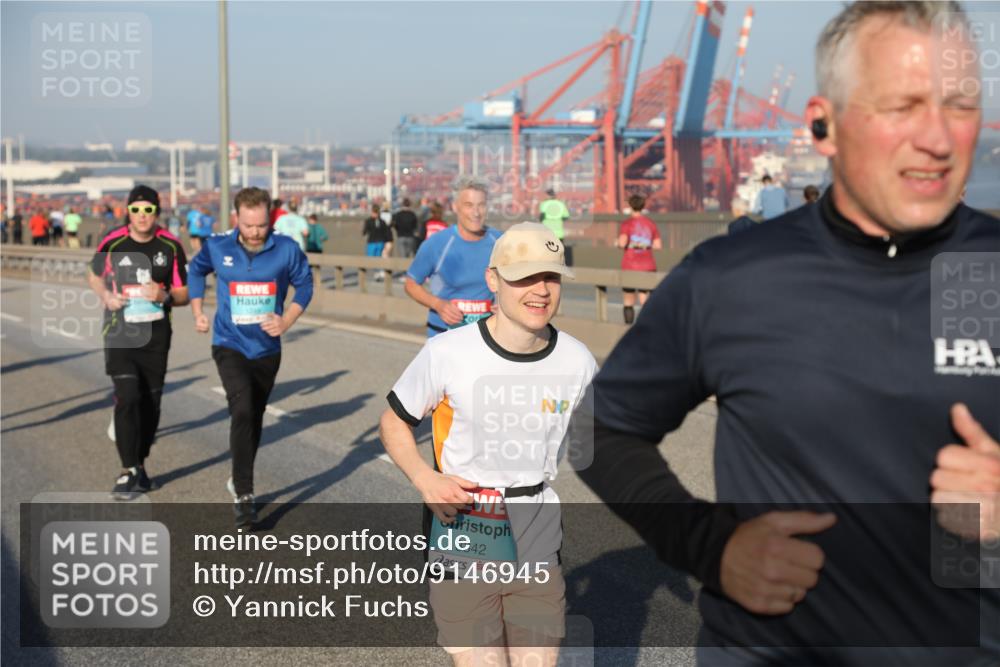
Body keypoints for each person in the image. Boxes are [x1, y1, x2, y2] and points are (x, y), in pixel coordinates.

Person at [575, 2, 999, 663]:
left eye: (961, 105)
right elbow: (596, 431)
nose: (939, 139)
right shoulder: (734, 277)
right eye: (902, 106)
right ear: (822, 127)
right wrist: (711, 547)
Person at [381, 222, 595, 666]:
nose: (540, 290)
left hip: (535, 529)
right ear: (494, 280)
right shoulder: (448, 352)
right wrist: (425, 479)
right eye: (525, 278)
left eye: (551, 277)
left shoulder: (578, 361)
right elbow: (394, 422)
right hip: (465, 529)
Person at [187, 187, 313, 528]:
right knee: (242, 408)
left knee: (253, 416)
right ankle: (245, 495)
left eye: (261, 225)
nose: (255, 233)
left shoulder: (285, 249)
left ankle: (238, 476)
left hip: (267, 349)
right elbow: (195, 271)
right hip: (229, 342)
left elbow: (306, 285)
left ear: (269, 218)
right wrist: (198, 310)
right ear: (236, 218)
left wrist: (286, 320)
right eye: (248, 225)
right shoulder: (217, 246)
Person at [87, 185, 189, 499]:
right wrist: (105, 295)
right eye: (136, 209)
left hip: (156, 336)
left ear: (157, 212)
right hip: (119, 333)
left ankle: (140, 466)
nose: (142, 216)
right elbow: (93, 274)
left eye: (148, 210)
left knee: (150, 405)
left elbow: (185, 293)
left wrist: (166, 296)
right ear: (128, 212)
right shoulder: (113, 242)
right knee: (128, 396)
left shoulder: (170, 246)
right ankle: (127, 470)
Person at [405, 177, 502, 337]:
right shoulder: (437, 243)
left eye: (481, 205)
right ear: (455, 207)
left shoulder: (500, 241)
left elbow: (516, 283)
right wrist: (438, 304)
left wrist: (505, 305)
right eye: (469, 205)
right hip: (444, 334)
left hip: (488, 336)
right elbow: (411, 284)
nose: (476, 213)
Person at [617, 194, 662, 324]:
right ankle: (647, 329)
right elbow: (658, 246)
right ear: (643, 206)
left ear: (630, 206)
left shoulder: (627, 224)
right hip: (648, 266)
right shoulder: (651, 224)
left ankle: (628, 329)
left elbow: (621, 243)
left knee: (628, 300)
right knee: (645, 301)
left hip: (630, 265)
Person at [539, 188, 572, 265]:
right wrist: (557, 219)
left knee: (547, 251)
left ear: (548, 195)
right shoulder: (561, 204)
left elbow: (542, 217)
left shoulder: (544, 204)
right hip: (559, 232)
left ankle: (548, 265)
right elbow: (566, 216)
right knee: (559, 251)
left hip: (547, 232)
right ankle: (559, 265)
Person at [362, 204, 394, 281]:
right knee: (371, 257)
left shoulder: (381, 221)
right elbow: (365, 231)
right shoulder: (369, 221)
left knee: (378, 257)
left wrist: (388, 241)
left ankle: (379, 272)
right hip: (373, 241)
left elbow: (386, 232)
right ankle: (377, 271)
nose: (375, 214)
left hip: (379, 242)